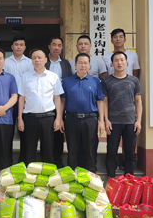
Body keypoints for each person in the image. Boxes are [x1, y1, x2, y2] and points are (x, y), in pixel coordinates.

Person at [17, 49, 63, 165]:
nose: (37, 60)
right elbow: (21, 98)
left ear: (45, 60)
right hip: (29, 117)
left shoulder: (53, 77)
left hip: (48, 117)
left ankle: (48, 174)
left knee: (48, 149)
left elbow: (57, 98)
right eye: (34, 58)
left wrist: (58, 118)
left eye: (39, 57)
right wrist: (20, 118)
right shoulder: (25, 77)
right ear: (31, 61)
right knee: (29, 150)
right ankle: (30, 174)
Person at [61, 53, 106, 172]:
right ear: (75, 65)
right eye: (80, 63)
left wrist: (101, 121)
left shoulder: (96, 82)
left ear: (89, 65)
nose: (83, 65)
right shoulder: (67, 81)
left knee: (90, 150)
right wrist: (60, 118)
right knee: (72, 150)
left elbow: (100, 101)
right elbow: (62, 101)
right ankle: (71, 175)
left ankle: (91, 176)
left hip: (90, 119)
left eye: (85, 63)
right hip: (71, 119)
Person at [102, 51, 143, 178]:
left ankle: (129, 181)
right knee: (111, 153)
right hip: (113, 122)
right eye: (116, 60)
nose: (119, 63)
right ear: (111, 63)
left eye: (122, 60)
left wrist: (138, 121)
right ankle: (111, 179)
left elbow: (138, 101)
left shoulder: (134, 80)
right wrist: (106, 120)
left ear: (126, 62)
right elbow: (104, 102)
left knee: (130, 154)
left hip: (130, 122)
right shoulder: (106, 81)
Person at [3, 35, 33, 163]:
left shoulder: (30, 62)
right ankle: (7, 160)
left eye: (21, 45)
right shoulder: (5, 62)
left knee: (24, 132)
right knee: (7, 132)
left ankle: (23, 159)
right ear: (12, 47)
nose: (18, 47)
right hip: (8, 100)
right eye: (16, 44)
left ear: (25, 47)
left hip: (24, 101)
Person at [45, 36, 72, 168]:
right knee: (47, 131)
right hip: (45, 102)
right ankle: (47, 158)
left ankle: (58, 159)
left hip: (61, 101)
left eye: (59, 45)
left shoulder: (65, 63)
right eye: (54, 45)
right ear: (49, 46)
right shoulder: (44, 62)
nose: (57, 48)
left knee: (59, 130)